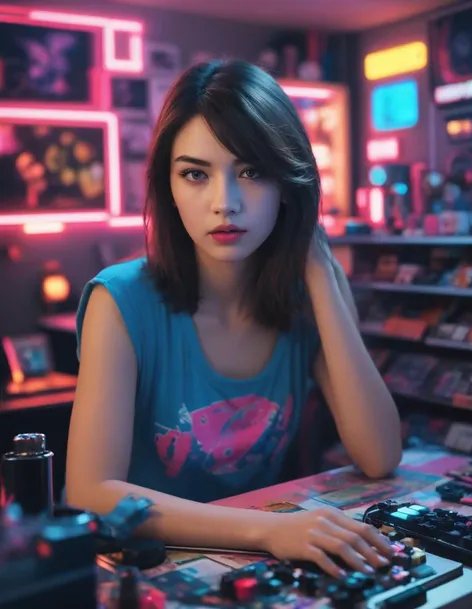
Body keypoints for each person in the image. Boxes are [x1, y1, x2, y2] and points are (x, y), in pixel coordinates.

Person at [66, 60, 402, 577]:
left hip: (259, 572)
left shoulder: (304, 300)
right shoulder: (122, 299)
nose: (226, 204)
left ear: (290, 183)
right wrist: (267, 531)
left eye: (252, 171)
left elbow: (380, 455)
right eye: (195, 174)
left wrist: (319, 270)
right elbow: (90, 492)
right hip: (147, 571)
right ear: (168, 187)